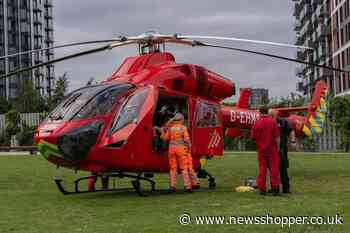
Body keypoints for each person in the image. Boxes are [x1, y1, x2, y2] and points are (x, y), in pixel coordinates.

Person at [160, 113, 199, 193]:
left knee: (173, 168)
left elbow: (165, 138)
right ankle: (187, 186)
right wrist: (189, 147)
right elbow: (187, 139)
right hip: (181, 150)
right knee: (184, 168)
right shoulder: (183, 128)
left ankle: (172, 186)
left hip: (171, 150)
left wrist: (162, 132)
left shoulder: (171, 128)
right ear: (181, 120)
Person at [251, 106, 280, 196]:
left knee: (262, 170)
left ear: (259, 112)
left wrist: (259, 143)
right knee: (274, 170)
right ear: (267, 112)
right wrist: (278, 147)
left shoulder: (256, 123)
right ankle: (275, 189)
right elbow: (277, 137)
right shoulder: (273, 122)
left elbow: (253, 137)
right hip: (272, 149)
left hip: (261, 150)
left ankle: (262, 189)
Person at [269, 109, 296, 194]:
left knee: (283, 169)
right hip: (271, 150)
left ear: (276, 115)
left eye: (273, 115)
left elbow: (291, 131)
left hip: (282, 149)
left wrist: (293, 141)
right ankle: (274, 187)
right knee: (273, 170)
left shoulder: (283, 122)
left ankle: (286, 188)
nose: (271, 117)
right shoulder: (268, 123)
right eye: (270, 115)